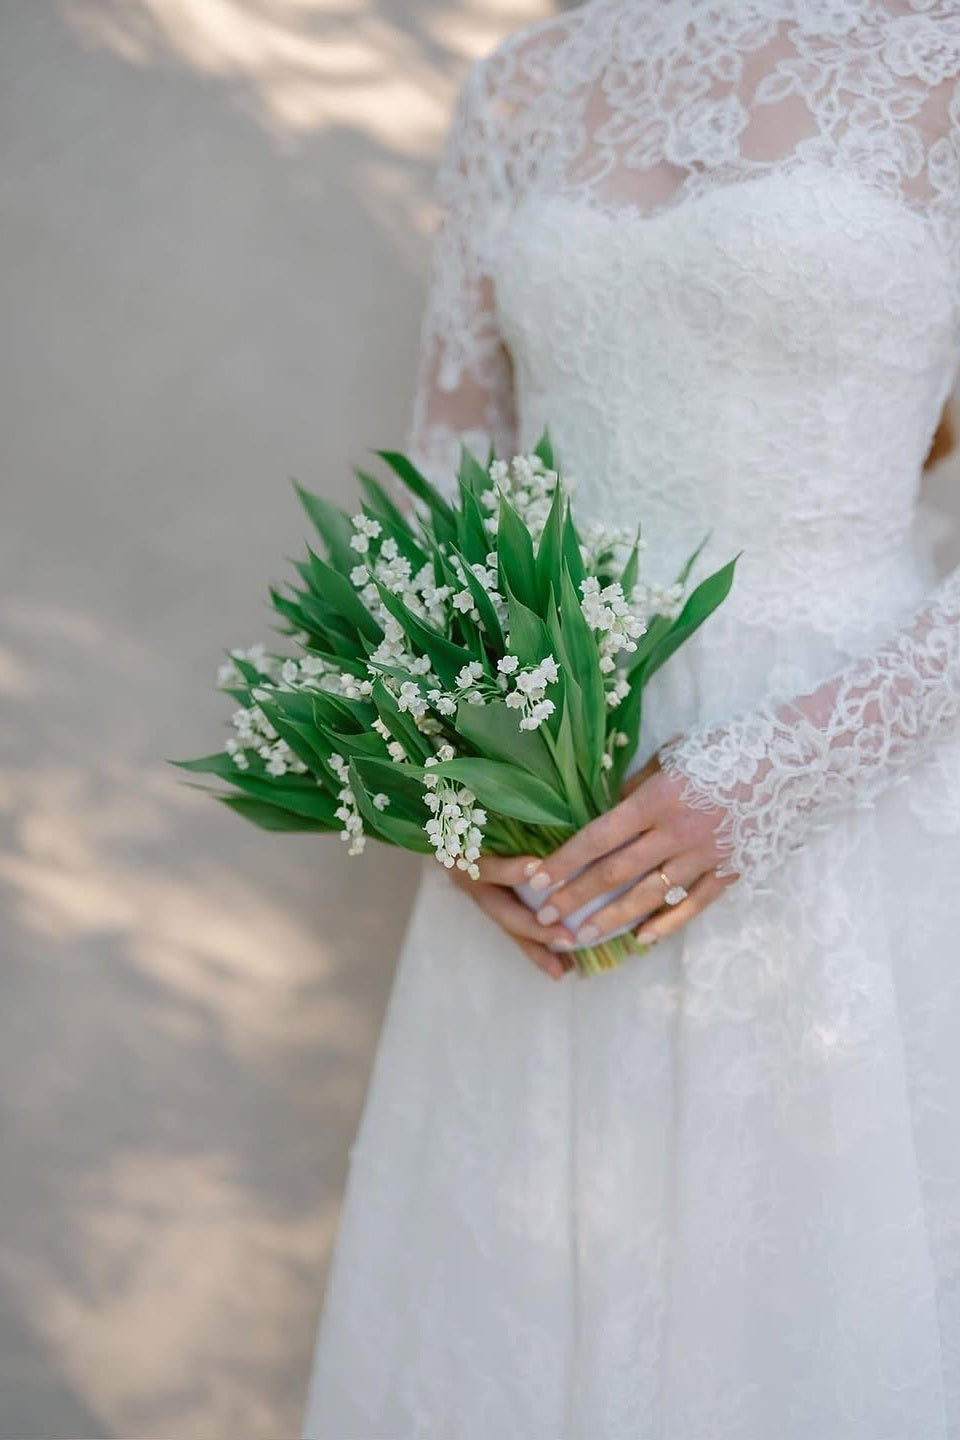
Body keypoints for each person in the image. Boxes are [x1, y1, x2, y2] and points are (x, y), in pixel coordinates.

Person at [301, 2, 960, 1435]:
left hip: (853, 775)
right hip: (554, 795)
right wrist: (448, 777)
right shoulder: (522, 85)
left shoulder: (941, 53)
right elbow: (450, 475)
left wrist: (781, 774)